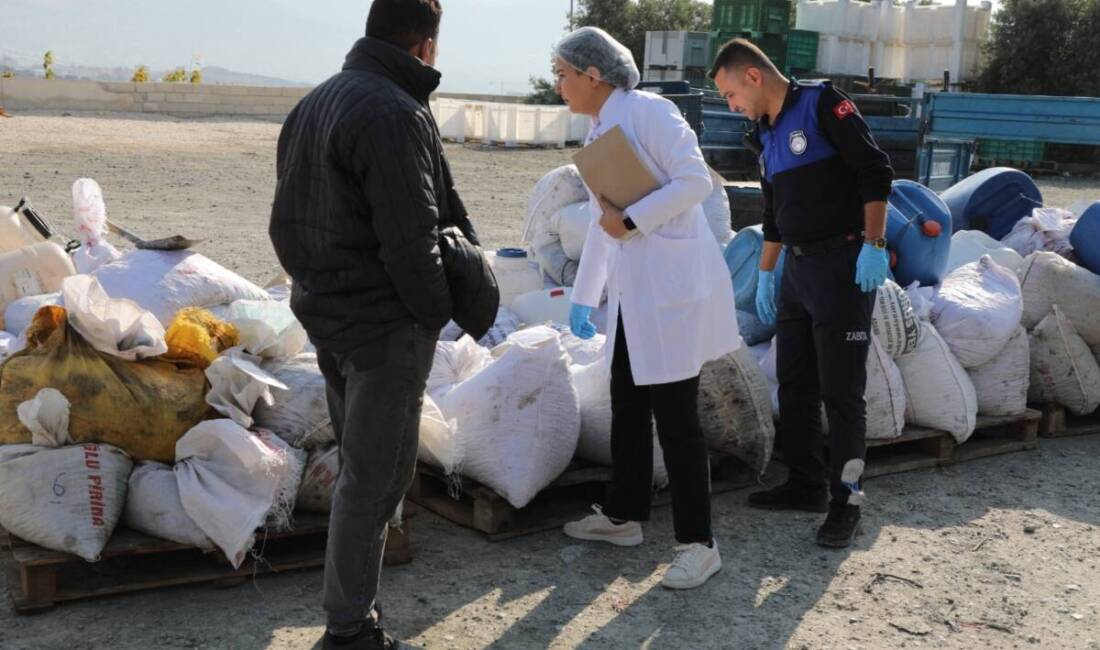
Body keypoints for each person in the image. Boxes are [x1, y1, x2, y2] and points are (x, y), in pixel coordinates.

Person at [269, 1, 495, 648]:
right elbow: (411, 242)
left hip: (331, 318)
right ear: (425, 47)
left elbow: (289, 221)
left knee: (365, 472)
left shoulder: (316, 103)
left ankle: (351, 618)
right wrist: (430, 318)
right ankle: (349, 632)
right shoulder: (395, 113)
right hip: (381, 328)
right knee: (373, 479)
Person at [556, 27, 741, 590]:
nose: (557, 84)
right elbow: (601, 221)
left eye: (563, 74)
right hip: (637, 296)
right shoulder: (598, 128)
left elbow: (694, 183)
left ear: (595, 74)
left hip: (672, 291)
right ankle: (625, 515)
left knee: (676, 417)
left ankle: (699, 543)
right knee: (628, 404)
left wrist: (634, 220)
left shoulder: (651, 113)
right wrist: (585, 297)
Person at [709, 39, 893, 548]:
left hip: (843, 266)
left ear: (752, 76)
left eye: (728, 94)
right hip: (796, 270)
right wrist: (768, 275)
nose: (731, 105)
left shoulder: (821, 104)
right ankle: (806, 484)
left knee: (842, 395)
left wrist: (875, 244)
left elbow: (875, 170)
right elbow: (773, 215)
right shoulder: (764, 136)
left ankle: (846, 502)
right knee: (795, 385)